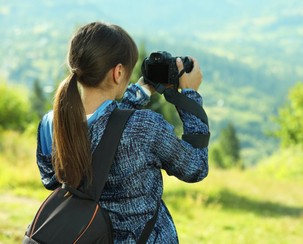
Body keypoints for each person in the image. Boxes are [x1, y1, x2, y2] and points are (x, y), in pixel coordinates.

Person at [36, 21, 209, 243]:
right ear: (118, 72)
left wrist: (142, 90)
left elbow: (51, 180)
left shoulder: (51, 124)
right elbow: (196, 167)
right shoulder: (145, 128)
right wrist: (190, 96)